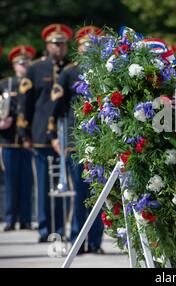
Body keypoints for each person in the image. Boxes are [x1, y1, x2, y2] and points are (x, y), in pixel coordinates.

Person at [48, 26, 105, 253]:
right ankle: (78, 241)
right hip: (76, 141)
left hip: (102, 142)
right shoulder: (70, 73)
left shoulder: (106, 71)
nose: (90, 49)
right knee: (81, 194)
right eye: (86, 46)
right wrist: (53, 136)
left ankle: (96, 242)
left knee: (99, 194)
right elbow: (56, 109)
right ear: (79, 49)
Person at [17, 23, 72, 242]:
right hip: (40, 135)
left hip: (66, 135)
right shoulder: (35, 69)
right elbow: (25, 103)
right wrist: (24, 133)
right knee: (43, 185)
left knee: (63, 186)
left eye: (62, 44)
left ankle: (60, 228)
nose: (58, 47)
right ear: (47, 45)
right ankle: (44, 228)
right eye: (55, 43)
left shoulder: (72, 68)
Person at [1, 46, 36, 231]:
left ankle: (26, 219)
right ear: (14, 65)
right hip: (8, 140)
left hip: (28, 140)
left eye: (26, 62)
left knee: (27, 182)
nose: (23, 66)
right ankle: (9, 218)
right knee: (10, 182)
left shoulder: (33, 83)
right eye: (20, 63)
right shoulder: (5, 84)